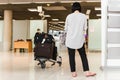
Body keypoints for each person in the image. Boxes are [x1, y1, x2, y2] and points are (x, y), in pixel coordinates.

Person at [64, 2, 96, 77]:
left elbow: (65, 29)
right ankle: (87, 72)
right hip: (79, 40)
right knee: (83, 56)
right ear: (79, 8)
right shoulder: (84, 16)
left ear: (73, 8)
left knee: (71, 56)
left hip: (70, 40)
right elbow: (85, 28)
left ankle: (73, 73)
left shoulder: (69, 16)